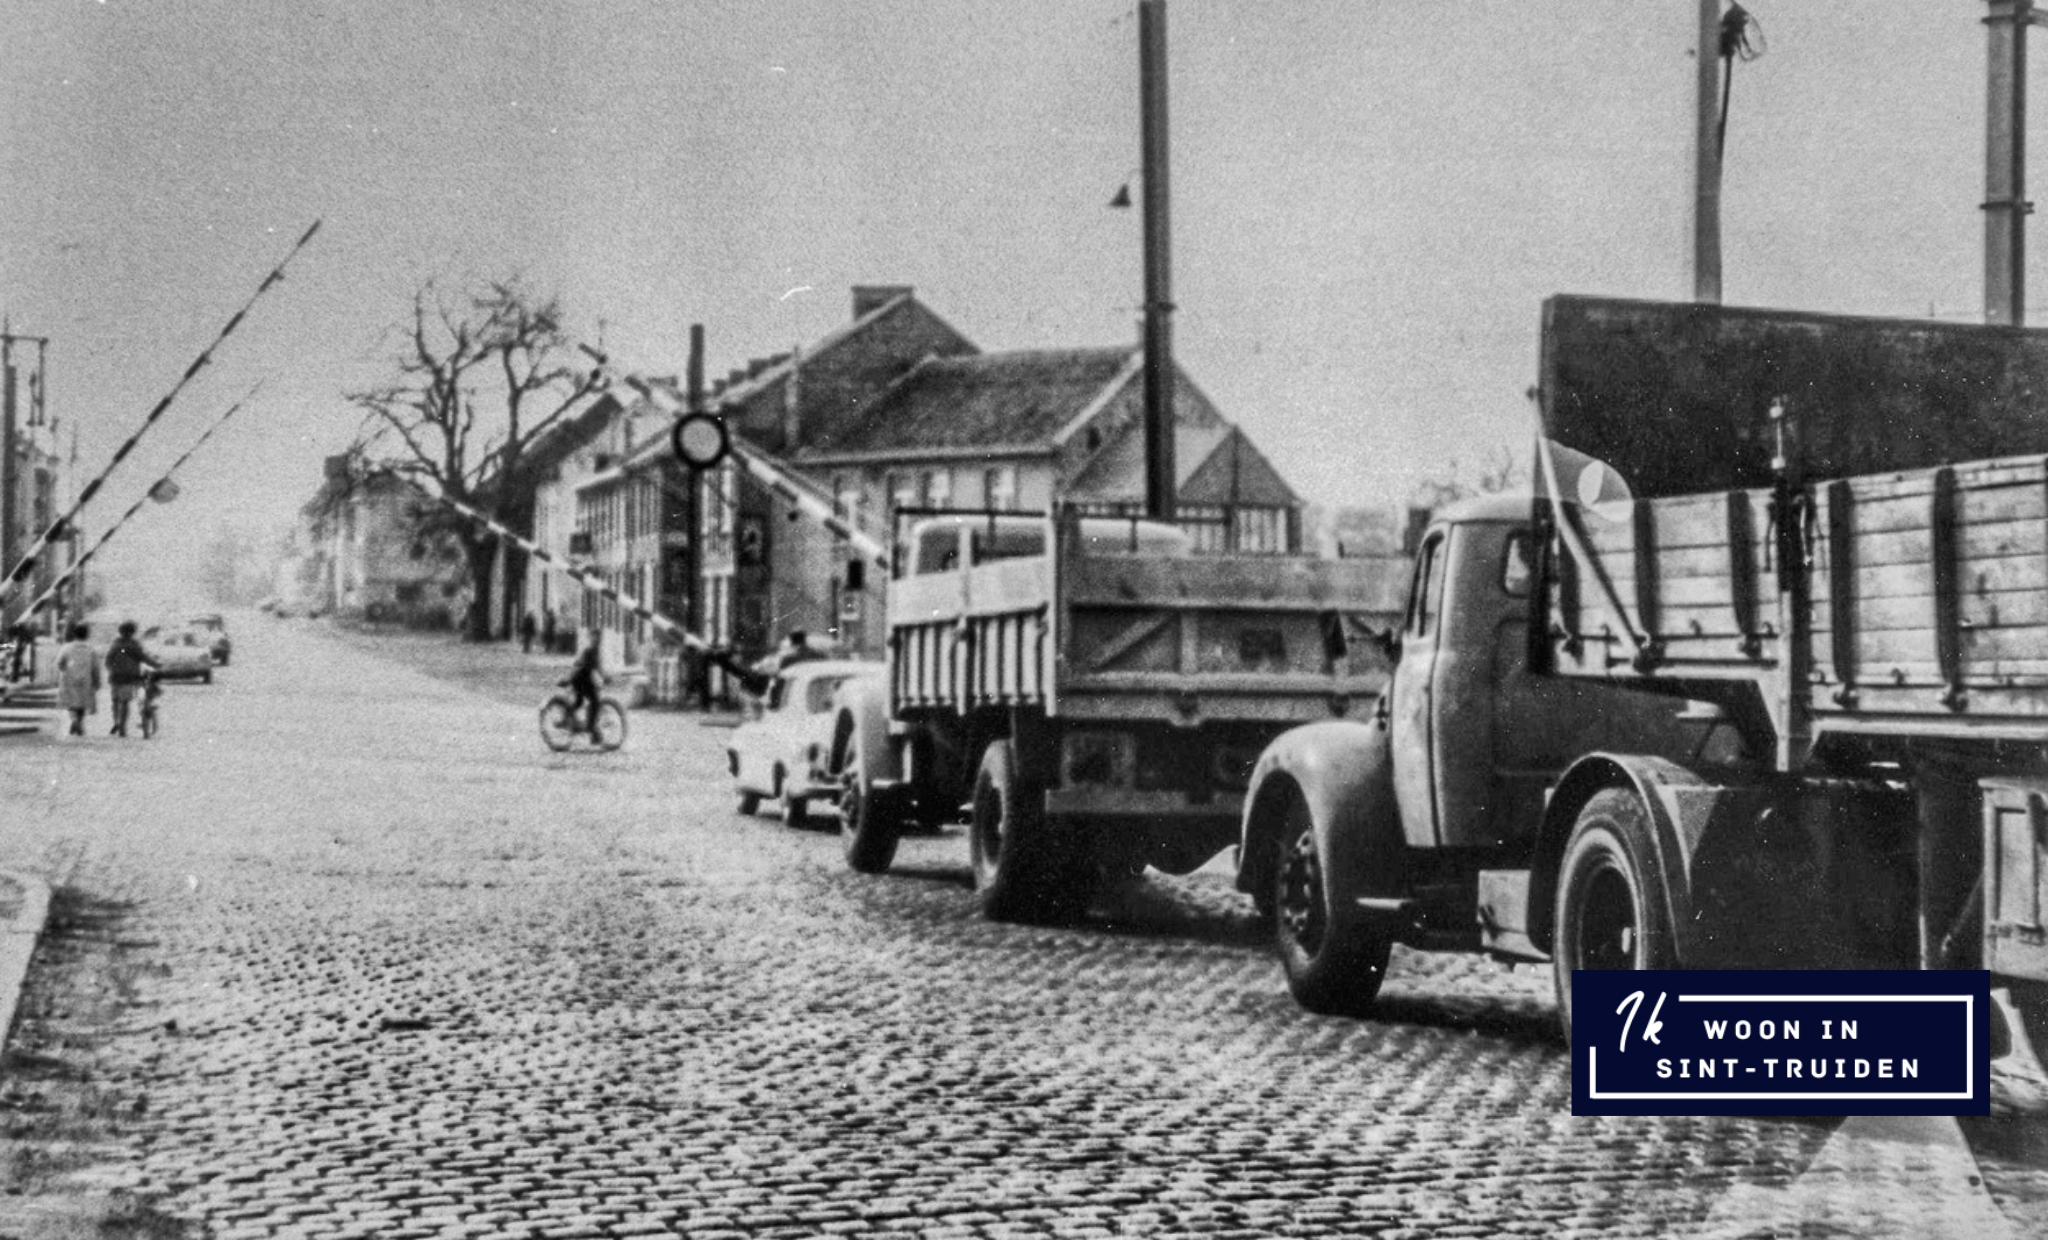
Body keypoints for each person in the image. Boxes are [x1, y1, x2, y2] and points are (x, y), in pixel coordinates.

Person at [104, 620, 160, 738]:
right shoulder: (134, 645)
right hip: (130, 676)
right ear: (132, 632)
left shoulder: (115, 644)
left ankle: (116, 722)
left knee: (115, 700)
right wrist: (156, 665)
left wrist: (112, 669)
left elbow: (108, 661)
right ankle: (122, 728)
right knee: (125, 702)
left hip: (115, 677)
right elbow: (143, 658)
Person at [55, 622, 99, 738]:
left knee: (71, 701)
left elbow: (59, 663)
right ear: (87, 635)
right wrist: (97, 681)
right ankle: (79, 721)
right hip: (85, 679)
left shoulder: (66, 648)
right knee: (82, 703)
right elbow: (95, 667)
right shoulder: (91, 649)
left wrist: (64, 670)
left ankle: (73, 719)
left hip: (69, 678)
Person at [561, 633, 604, 737]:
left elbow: (581, 664)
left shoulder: (590, 650)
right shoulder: (591, 650)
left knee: (580, 702)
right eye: (595, 638)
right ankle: (590, 728)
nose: (596, 640)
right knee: (595, 702)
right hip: (582, 680)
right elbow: (588, 667)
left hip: (581, 679)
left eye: (597, 638)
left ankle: (568, 718)